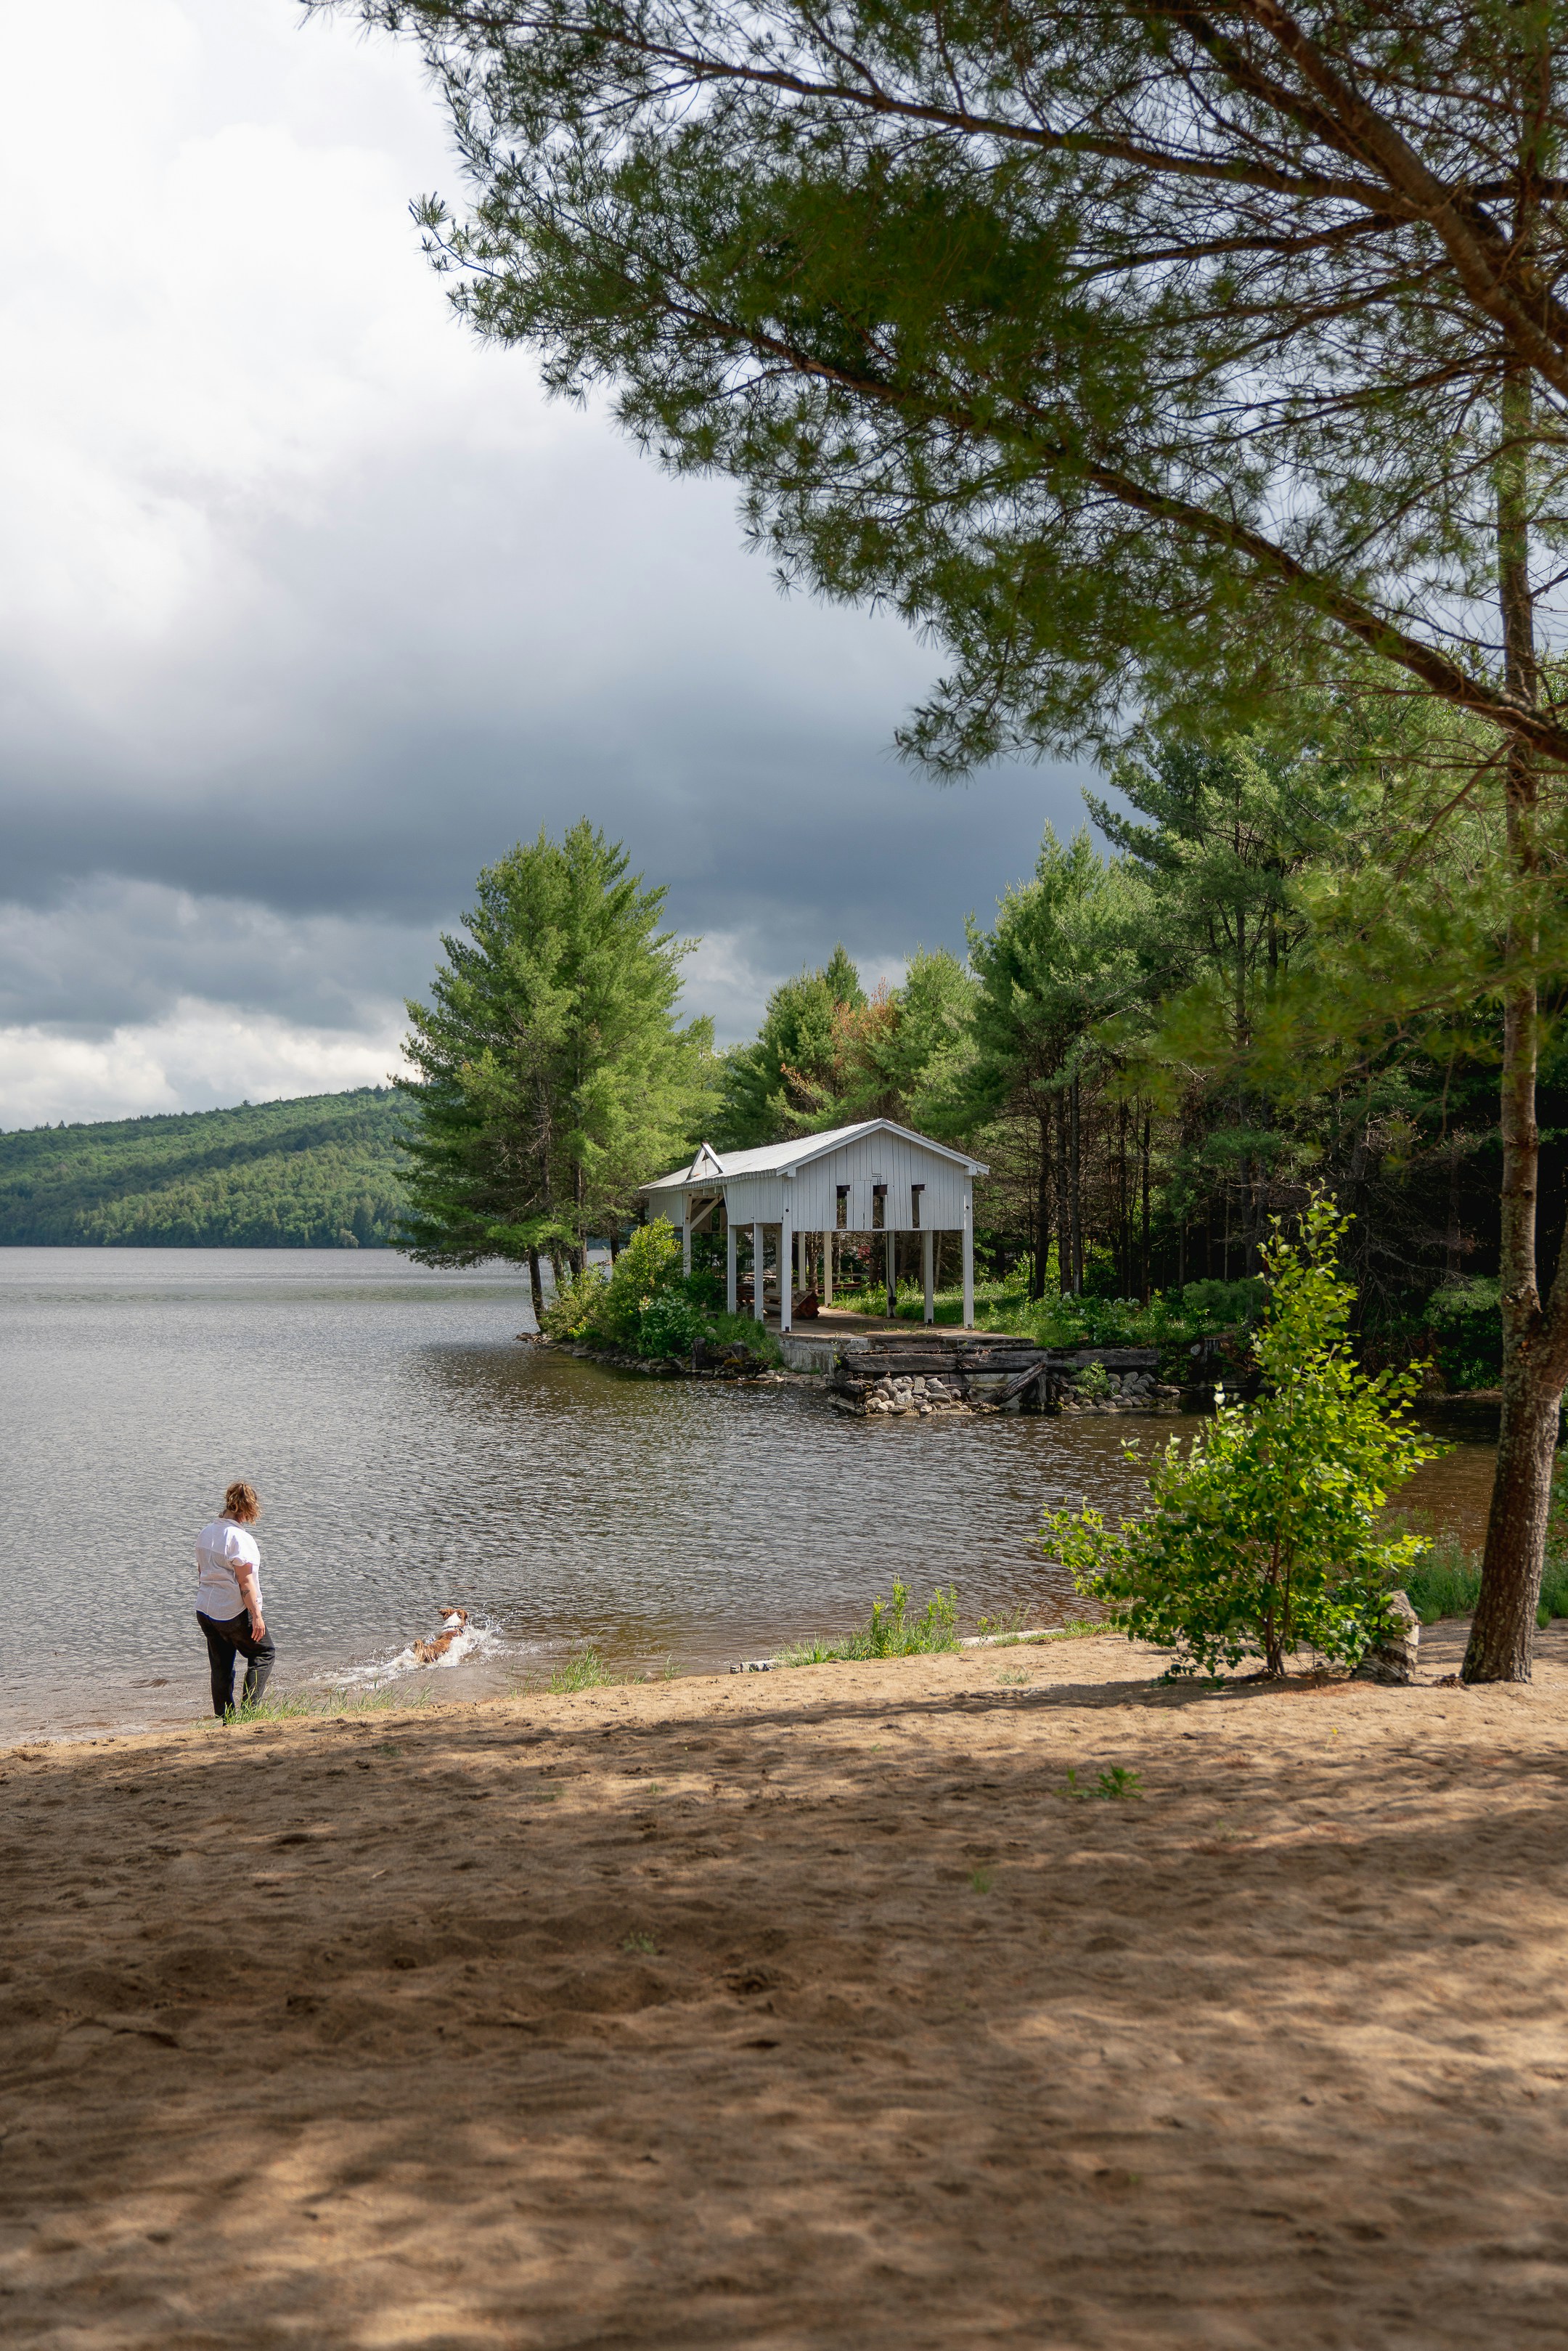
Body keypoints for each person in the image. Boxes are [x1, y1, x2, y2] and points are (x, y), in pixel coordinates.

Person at [195, 1480, 274, 1720]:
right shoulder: (239, 1538)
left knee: (221, 1666)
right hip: (232, 1611)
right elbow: (245, 1582)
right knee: (264, 1654)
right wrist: (257, 1616)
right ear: (249, 1509)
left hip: (205, 1610)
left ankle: (226, 1720)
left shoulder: (206, 1532)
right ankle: (250, 1714)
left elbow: (202, 1573)